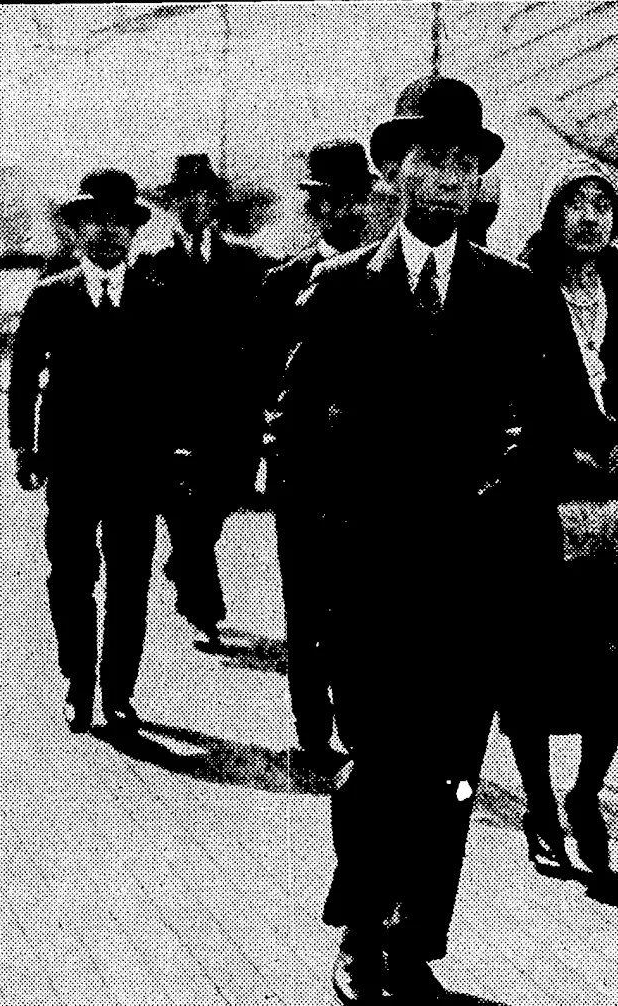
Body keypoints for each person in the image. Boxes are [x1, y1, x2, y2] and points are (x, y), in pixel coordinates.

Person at [278, 76, 549, 1006]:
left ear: (480, 183)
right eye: (430, 158)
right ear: (391, 169)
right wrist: (322, 555)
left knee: (452, 769)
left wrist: (500, 494)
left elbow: (549, 425)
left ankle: (417, 942)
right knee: (373, 760)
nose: (447, 177)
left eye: (465, 162)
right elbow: (295, 433)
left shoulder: (516, 296)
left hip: (471, 579)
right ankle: (361, 933)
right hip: (368, 578)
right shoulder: (341, 290)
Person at [500, 158, 618, 876]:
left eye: (602, 203)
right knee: (531, 657)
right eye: (575, 202)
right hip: (539, 485)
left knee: (615, 656)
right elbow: (517, 388)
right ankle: (536, 799)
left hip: (607, 494)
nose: (590, 216)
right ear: (549, 211)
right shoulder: (522, 283)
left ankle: (585, 793)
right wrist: (571, 444)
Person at [8, 170, 179, 735]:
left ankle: (118, 693)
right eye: (93, 221)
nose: (105, 233)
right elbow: (25, 375)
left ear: (133, 229)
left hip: (136, 466)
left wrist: (175, 454)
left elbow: (178, 384)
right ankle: (79, 687)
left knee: (130, 580)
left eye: (116, 222)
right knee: (72, 576)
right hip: (71, 463)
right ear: (77, 228)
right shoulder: (48, 298)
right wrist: (24, 447)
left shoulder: (157, 300)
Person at [261, 140, 378, 775]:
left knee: (359, 608)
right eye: (327, 203)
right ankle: (312, 736)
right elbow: (256, 377)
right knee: (305, 609)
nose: (341, 215)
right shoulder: (281, 284)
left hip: (368, 480)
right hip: (302, 473)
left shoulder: (395, 283)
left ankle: (361, 731)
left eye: (353, 201)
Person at [151, 154, 270, 649]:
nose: (192, 206)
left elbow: (265, 338)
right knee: (185, 510)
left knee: (218, 503)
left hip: (232, 416)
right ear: (170, 205)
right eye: (181, 198)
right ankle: (203, 602)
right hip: (175, 417)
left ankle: (184, 561)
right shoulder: (152, 269)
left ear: (216, 203)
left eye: (202, 196)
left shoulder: (248, 265)